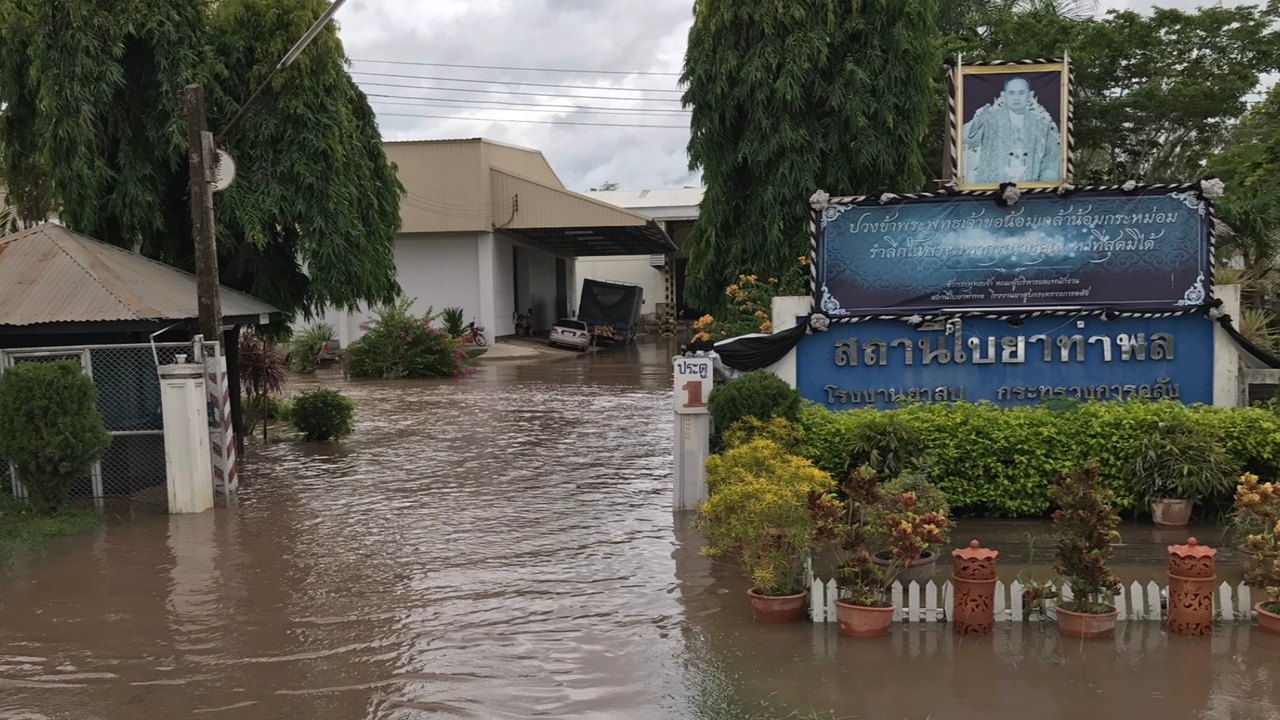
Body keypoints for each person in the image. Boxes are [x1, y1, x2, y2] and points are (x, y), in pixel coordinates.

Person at [963, 77, 1061, 185]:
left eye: (1021, 93)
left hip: (1030, 190)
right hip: (992, 189)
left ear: (1030, 95)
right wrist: (978, 123)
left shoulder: (1042, 125)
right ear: (1004, 96)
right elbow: (964, 138)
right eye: (1012, 93)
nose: (1016, 98)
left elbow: (1051, 157)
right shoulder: (990, 119)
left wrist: (1044, 186)